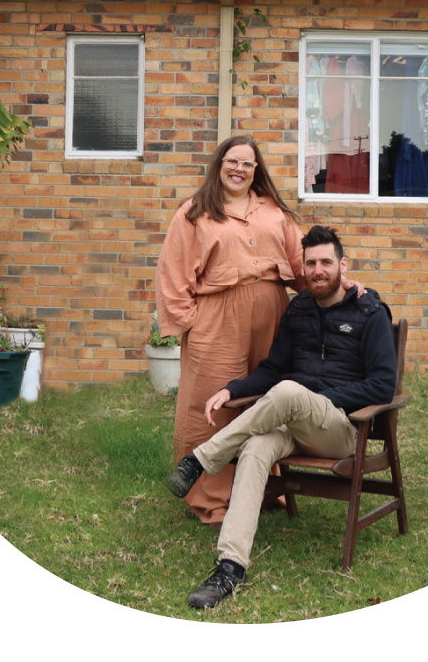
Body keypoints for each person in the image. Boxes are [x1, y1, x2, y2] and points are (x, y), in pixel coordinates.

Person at [167, 225, 397, 609]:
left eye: (326, 262)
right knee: (257, 445)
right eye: (311, 263)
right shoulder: (299, 310)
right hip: (293, 422)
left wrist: (319, 398)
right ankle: (230, 567)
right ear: (302, 269)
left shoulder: (370, 311)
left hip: (340, 429)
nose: (318, 270)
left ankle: (201, 459)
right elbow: (273, 369)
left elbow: (382, 386)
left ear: (343, 265)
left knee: (291, 392)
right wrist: (232, 390)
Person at [155, 137, 364, 528]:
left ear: (256, 170)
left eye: (248, 164)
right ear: (220, 164)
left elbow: (303, 263)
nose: (239, 170)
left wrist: (341, 288)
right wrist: (191, 323)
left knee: (265, 400)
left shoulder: (273, 211)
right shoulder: (195, 213)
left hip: (272, 313)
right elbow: (172, 272)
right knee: (214, 406)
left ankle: (264, 489)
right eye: (232, 161)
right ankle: (211, 499)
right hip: (217, 318)